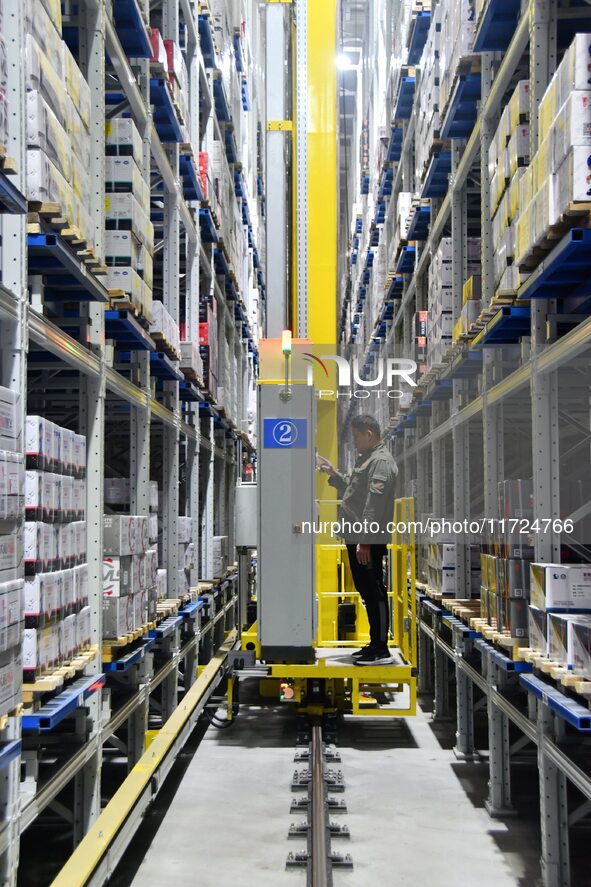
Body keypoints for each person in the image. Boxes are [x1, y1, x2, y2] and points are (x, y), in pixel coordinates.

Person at [318, 414, 398, 665]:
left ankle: (381, 649)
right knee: (365, 589)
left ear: (369, 435)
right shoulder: (369, 460)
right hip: (357, 536)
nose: (354, 441)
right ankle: (374, 644)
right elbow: (355, 494)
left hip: (367, 540)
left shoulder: (381, 463)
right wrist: (333, 473)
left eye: (356, 437)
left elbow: (373, 506)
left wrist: (365, 540)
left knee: (374, 590)